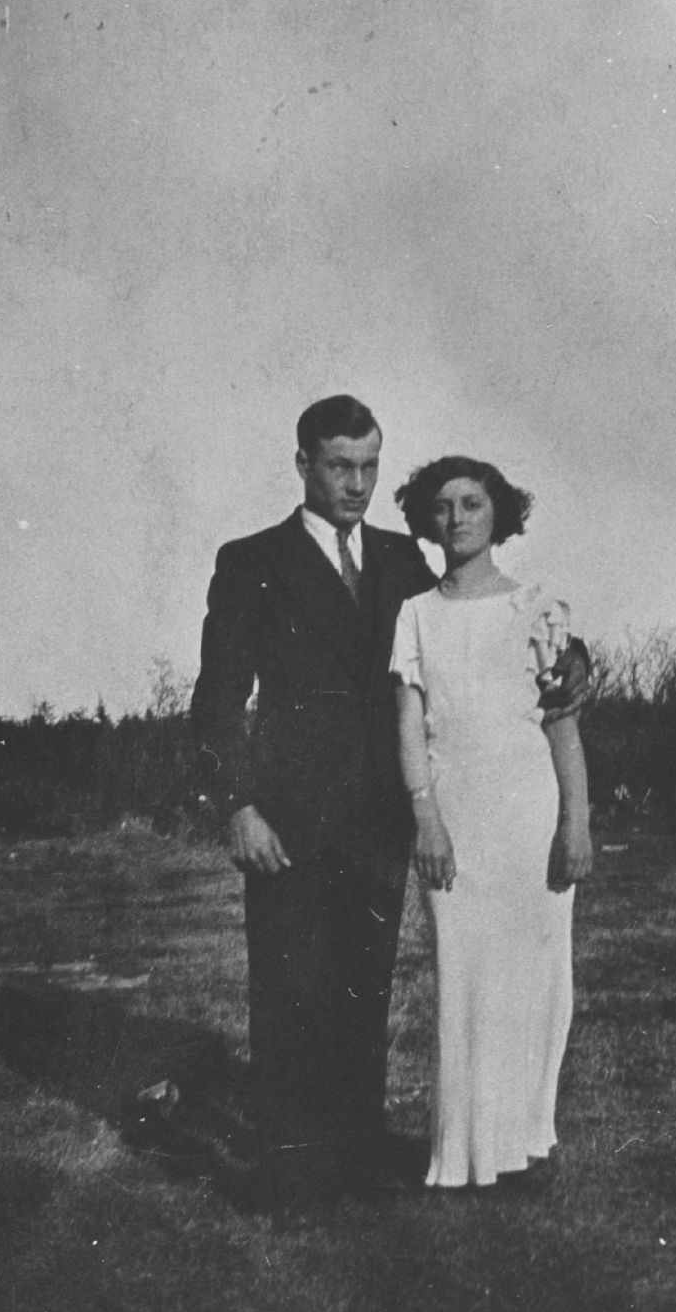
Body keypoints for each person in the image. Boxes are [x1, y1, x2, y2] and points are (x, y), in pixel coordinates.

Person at [191, 399, 590, 1218]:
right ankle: (291, 1176)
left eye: (370, 466)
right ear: (303, 464)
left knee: (361, 993)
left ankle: (356, 1159)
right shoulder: (252, 561)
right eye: (340, 466)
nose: (357, 483)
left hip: (379, 820)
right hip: (289, 819)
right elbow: (219, 696)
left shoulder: (400, 559)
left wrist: (575, 659)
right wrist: (237, 805)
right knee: (291, 990)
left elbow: (482, 614)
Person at [390, 455, 592, 1191]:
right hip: (455, 819)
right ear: (426, 519)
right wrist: (426, 818)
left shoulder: (536, 609)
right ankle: (466, 1153)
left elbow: (562, 726)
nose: (457, 518)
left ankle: (527, 1141)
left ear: (498, 513)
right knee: (467, 977)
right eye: (442, 506)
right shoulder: (415, 614)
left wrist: (576, 822)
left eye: (473, 503)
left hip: (529, 814)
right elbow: (409, 727)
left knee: (538, 977)